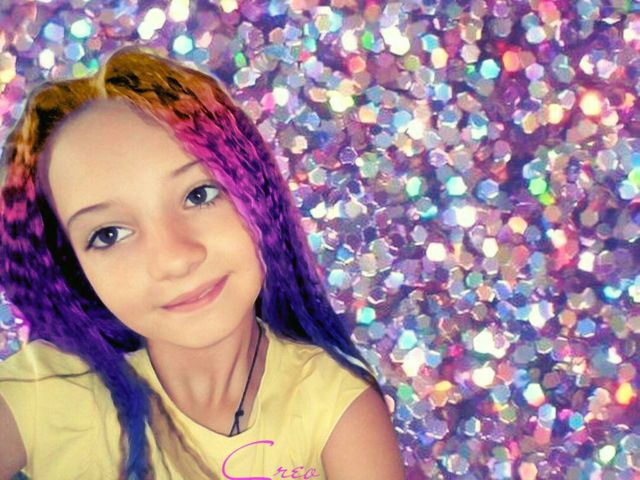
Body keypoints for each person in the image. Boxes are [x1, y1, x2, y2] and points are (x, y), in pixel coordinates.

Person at [0, 45, 405, 479]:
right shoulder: (42, 392)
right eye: (109, 234)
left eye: (199, 195)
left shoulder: (335, 407)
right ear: (75, 268)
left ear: (255, 192)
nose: (175, 259)